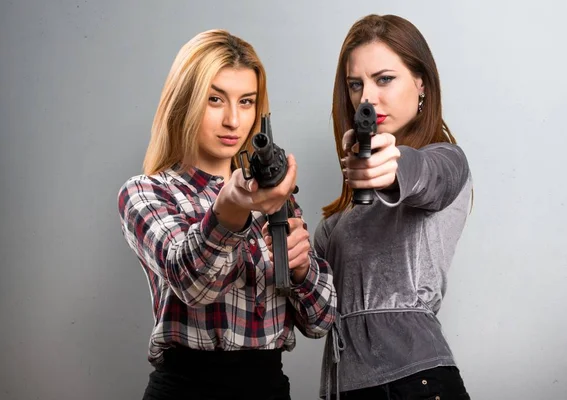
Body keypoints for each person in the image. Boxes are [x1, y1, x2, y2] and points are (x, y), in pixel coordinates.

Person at [117, 29, 336, 400]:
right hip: (187, 387)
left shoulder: (275, 197)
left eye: (247, 101)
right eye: (215, 99)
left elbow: (320, 322)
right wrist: (230, 211)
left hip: (268, 386)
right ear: (184, 101)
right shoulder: (147, 192)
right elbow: (193, 285)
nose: (234, 120)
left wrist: (302, 270)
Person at [316, 14, 473, 400]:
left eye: (384, 78)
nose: (366, 97)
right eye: (356, 84)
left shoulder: (447, 162)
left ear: (421, 83)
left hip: (414, 381)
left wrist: (389, 167)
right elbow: (313, 312)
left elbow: (426, 175)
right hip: (344, 387)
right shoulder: (337, 224)